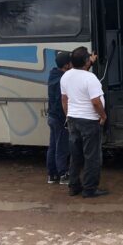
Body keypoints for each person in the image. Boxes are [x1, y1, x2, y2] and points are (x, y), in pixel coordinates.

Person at [61, 47, 109, 198]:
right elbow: (95, 102)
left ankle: (74, 186)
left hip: (73, 120)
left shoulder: (66, 76)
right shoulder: (90, 78)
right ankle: (89, 189)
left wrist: (68, 116)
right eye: (88, 58)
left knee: (76, 156)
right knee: (92, 157)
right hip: (89, 121)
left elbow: (64, 99)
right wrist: (103, 116)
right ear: (86, 61)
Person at [47, 51, 72, 184]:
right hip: (59, 118)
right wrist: (67, 118)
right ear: (67, 65)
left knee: (53, 146)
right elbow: (62, 101)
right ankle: (63, 174)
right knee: (62, 147)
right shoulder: (62, 80)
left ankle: (52, 175)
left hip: (51, 116)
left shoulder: (53, 74)